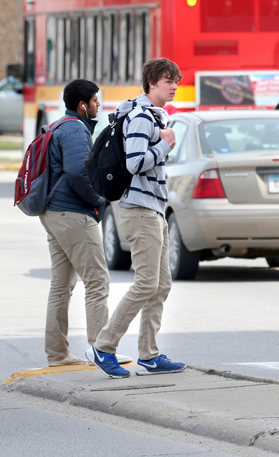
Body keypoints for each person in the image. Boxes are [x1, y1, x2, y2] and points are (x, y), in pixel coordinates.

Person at [86, 58, 186, 378]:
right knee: (145, 284)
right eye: (168, 81)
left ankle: (149, 354)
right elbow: (134, 163)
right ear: (152, 83)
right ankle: (104, 346)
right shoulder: (141, 117)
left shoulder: (155, 115)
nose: (174, 86)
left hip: (154, 207)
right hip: (139, 208)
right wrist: (166, 145)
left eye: (176, 80)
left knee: (160, 285)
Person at [39, 79, 131, 368]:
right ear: (83, 105)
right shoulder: (75, 131)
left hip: (53, 213)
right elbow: (80, 174)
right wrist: (99, 201)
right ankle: (101, 351)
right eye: (95, 101)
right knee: (97, 281)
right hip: (73, 214)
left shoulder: (59, 125)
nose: (98, 105)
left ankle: (57, 354)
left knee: (61, 285)